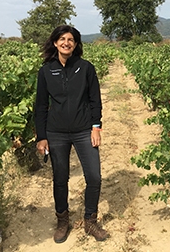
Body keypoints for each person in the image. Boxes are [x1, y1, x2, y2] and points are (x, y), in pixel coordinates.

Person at [35, 25, 109, 243]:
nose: (66, 42)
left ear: (76, 44)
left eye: (71, 39)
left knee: (94, 176)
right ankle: (62, 220)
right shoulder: (46, 71)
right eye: (62, 39)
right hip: (56, 132)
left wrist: (96, 127)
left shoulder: (86, 68)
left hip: (84, 129)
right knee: (60, 178)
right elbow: (40, 106)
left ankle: (90, 221)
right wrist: (42, 136)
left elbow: (95, 100)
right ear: (55, 43)